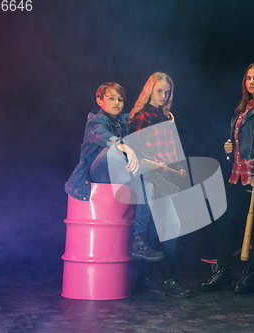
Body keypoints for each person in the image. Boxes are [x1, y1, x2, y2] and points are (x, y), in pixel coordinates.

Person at [199, 63, 254, 294]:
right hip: (239, 170)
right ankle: (224, 272)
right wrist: (229, 151)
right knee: (225, 220)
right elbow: (241, 143)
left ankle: (249, 276)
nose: (252, 82)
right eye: (248, 78)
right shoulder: (243, 108)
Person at [64, 82, 165, 262]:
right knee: (114, 151)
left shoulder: (121, 120)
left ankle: (139, 240)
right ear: (99, 100)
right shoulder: (96, 120)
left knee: (148, 187)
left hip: (118, 173)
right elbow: (104, 136)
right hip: (94, 175)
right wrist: (127, 148)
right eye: (111, 98)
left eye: (120, 99)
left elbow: (137, 113)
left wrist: (161, 113)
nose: (117, 102)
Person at [128, 72, 193, 298]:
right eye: (160, 91)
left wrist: (177, 170)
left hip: (165, 179)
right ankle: (166, 280)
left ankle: (148, 279)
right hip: (149, 179)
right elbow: (136, 155)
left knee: (163, 232)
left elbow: (169, 150)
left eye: (167, 92)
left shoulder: (165, 117)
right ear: (150, 90)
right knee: (164, 231)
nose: (164, 96)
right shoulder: (142, 117)